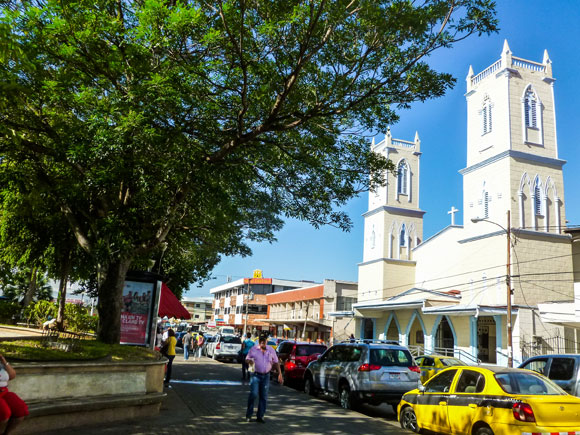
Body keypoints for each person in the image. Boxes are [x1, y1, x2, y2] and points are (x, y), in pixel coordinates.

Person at [245, 335, 282, 423]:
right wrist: (249, 361)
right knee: (253, 394)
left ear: (266, 341)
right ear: (259, 341)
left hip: (266, 376)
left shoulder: (271, 350)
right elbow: (247, 359)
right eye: (260, 341)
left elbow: (276, 362)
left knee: (264, 396)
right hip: (255, 375)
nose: (262, 343)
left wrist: (280, 374)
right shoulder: (253, 349)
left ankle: (260, 416)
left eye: (264, 341)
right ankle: (249, 415)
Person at [0, 354, 28, 434]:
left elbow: (12, 376)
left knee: (21, 410)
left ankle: (6, 433)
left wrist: (4, 361)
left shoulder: (1, 364)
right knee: (4, 414)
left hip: (4, 392)